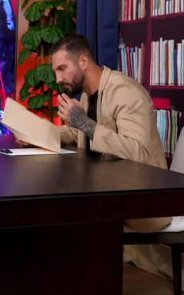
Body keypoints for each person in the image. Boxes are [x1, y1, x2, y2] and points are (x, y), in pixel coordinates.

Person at [46, 34, 171, 232]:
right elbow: (78, 132)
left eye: (62, 69)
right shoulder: (88, 93)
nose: (58, 79)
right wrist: (39, 134)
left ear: (83, 61)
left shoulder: (126, 92)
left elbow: (137, 151)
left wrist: (83, 122)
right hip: (106, 188)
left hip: (142, 198)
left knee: (60, 207)